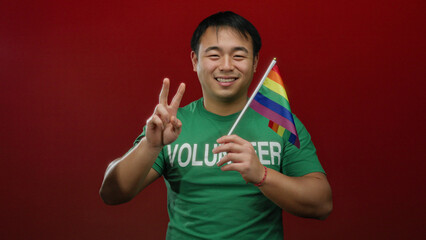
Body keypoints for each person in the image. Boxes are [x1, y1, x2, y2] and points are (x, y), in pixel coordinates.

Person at [100, 11, 332, 239]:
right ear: (195, 60)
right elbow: (112, 194)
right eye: (214, 55)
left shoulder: (280, 123)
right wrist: (149, 146)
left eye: (239, 56)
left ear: (255, 63)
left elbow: (322, 204)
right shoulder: (170, 125)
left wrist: (261, 174)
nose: (226, 65)